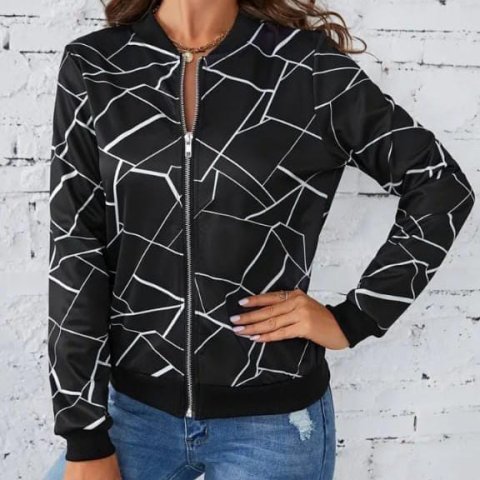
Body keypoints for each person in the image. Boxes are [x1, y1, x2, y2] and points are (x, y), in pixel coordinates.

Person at [44, 0, 475, 479]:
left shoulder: (307, 65)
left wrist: (355, 318)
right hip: (132, 415)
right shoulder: (96, 65)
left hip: (274, 425)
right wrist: (84, 434)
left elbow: (440, 186)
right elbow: (75, 249)